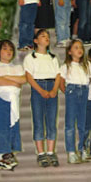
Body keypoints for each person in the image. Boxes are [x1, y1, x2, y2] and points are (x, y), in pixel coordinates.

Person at [23, 28, 62, 167]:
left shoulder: (53, 58)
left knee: (51, 121)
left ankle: (51, 152)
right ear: (35, 40)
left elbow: (58, 75)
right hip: (38, 87)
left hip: (51, 86)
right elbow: (29, 76)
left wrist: (54, 90)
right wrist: (40, 90)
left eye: (47, 36)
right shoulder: (30, 58)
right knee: (38, 121)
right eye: (43, 36)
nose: (46, 38)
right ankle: (41, 153)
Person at [0, 39, 26, 170]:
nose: (8, 51)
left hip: (13, 100)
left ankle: (8, 154)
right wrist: (13, 81)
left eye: (10, 49)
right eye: (5, 49)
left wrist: (6, 77)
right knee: (1, 125)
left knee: (10, 124)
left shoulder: (17, 68)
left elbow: (22, 80)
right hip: (0, 99)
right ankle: (3, 155)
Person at [60, 39, 90, 164]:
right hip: (72, 91)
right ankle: (71, 152)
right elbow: (61, 82)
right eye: (76, 47)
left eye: (81, 47)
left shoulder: (87, 66)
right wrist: (68, 92)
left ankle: (82, 149)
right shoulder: (66, 66)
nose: (79, 50)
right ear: (69, 52)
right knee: (70, 124)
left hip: (84, 91)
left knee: (83, 123)